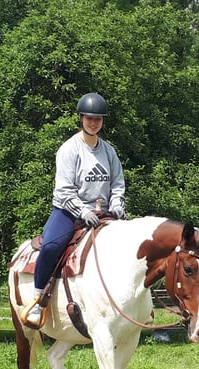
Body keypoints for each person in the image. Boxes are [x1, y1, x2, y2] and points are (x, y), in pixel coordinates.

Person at [21, 92, 126, 328]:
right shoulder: (69, 149)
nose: (93, 122)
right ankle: (38, 300)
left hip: (104, 214)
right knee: (51, 247)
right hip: (69, 212)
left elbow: (118, 183)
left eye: (98, 119)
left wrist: (118, 203)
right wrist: (82, 212)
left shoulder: (109, 151)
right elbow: (65, 190)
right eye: (89, 118)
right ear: (81, 118)